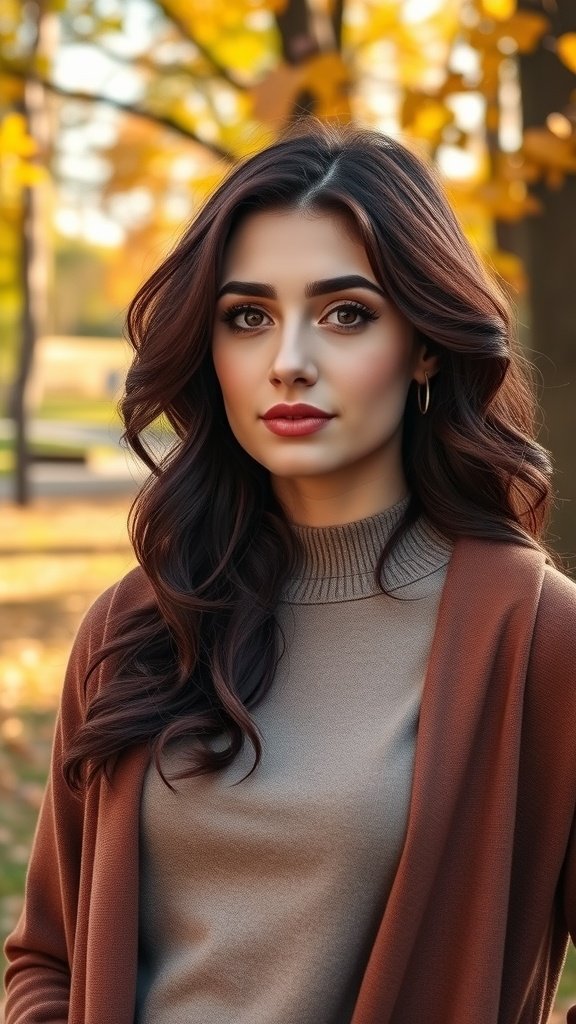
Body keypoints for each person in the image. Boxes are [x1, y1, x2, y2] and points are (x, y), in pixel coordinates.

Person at [4, 122, 576, 1024]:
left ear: (425, 345)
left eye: (347, 314)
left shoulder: (537, 637)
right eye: (248, 317)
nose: (289, 363)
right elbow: (47, 957)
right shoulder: (134, 624)